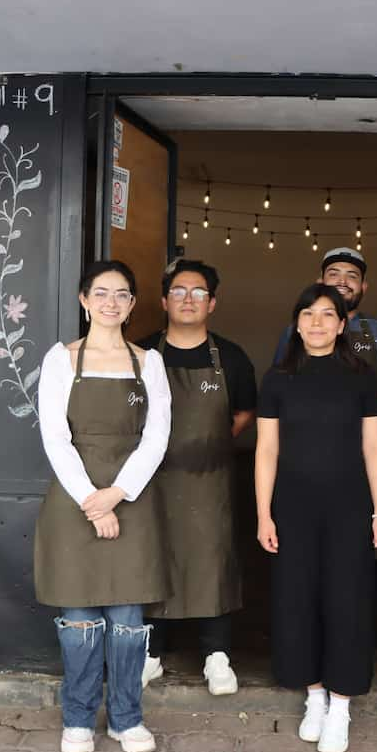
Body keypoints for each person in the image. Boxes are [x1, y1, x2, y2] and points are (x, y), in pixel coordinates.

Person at [34, 259, 172, 752]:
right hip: (75, 500)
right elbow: (55, 437)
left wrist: (118, 493)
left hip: (131, 498)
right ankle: (77, 719)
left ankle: (126, 718)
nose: (111, 302)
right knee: (80, 620)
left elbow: (157, 436)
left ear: (133, 304)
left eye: (122, 294)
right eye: (101, 293)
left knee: (128, 619)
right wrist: (93, 501)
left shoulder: (148, 362)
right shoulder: (61, 360)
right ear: (83, 299)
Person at [255, 284, 377, 752]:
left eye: (326, 314)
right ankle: (313, 695)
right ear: (296, 323)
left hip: (350, 507)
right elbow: (266, 450)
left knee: (346, 602)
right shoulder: (276, 379)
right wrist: (263, 514)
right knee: (296, 601)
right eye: (308, 314)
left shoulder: (362, 376)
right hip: (292, 507)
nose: (316, 323)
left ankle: (341, 706)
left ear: (341, 323)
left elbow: (374, 446)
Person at [137, 259, 257, 695]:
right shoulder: (143, 354)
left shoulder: (233, 357)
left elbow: (245, 410)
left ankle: (217, 656)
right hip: (152, 481)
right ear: (164, 300)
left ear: (213, 303)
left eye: (199, 293)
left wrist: (210, 443)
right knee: (155, 559)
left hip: (211, 481)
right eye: (180, 292)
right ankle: (151, 654)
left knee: (213, 561)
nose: (189, 300)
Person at [272, 246, 377, 414]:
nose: (342, 282)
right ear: (320, 283)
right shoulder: (296, 331)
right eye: (334, 274)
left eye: (352, 276)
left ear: (364, 286)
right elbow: (279, 390)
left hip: (370, 434)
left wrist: (356, 422)